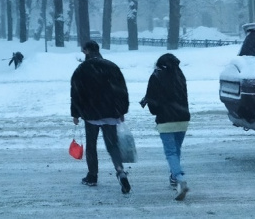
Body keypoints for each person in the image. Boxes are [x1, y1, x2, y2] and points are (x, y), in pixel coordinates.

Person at [70, 40, 131, 194]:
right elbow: (122, 90)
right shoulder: (111, 66)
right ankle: (120, 171)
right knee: (112, 145)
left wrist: (75, 113)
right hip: (110, 113)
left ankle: (92, 176)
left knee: (91, 145)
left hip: (91, 115)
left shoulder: (82, 69)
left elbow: (76, 93)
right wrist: (122, 110)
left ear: (86, 51)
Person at [141, 53, 191, 201]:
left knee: (170, 153)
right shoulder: (180, 75)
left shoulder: (156, 76)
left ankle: (180, 177)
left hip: (166, 119)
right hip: (183, 118)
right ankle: (174, 178)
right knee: (176, 150)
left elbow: (153, 103)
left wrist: (153, 107)